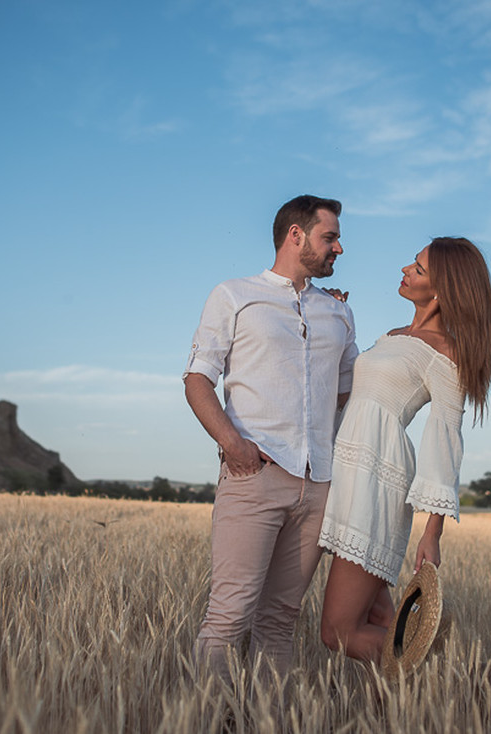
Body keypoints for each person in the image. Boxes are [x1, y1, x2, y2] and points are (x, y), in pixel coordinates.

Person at [183, 194, 359, 680]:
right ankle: (206, 715)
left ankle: (269, 716)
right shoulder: (234, 295)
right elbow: (197, 379)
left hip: (318, 486)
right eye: (330, 237)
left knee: (280, 620)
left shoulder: (339, 313)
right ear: (295, 235)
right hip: (255, 476)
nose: (339, 248)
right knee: (229, 616)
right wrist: (233, 445)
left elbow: (346, 392)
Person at [318, 237, 491, 663]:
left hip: (375, 482)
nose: (405, 269)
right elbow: (354, 394)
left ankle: (466, 682)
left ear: (442, 290)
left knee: (337, 631)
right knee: (386, 622)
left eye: (418, 269)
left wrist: (432, 532)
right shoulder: (392, 336)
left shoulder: (446, 353)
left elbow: (445, 440)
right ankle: (438, 693)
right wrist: (331, 316)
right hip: (345, 476)